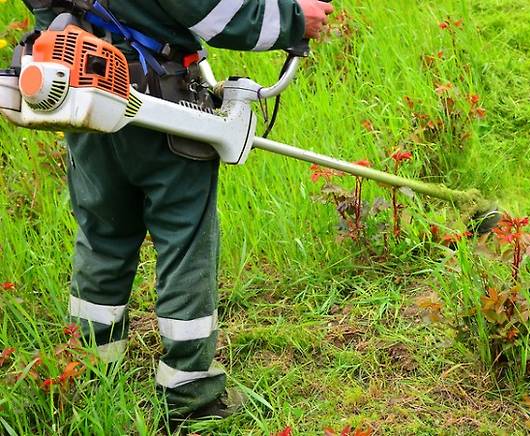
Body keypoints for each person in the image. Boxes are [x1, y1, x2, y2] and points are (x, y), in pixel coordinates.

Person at [21, 0, 334, 421]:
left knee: (101, 239)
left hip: (83, 99)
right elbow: (221, 14)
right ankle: (190, 396)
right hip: (161, 107)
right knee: (185, 244)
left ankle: (91, 372)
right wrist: (295, 17)